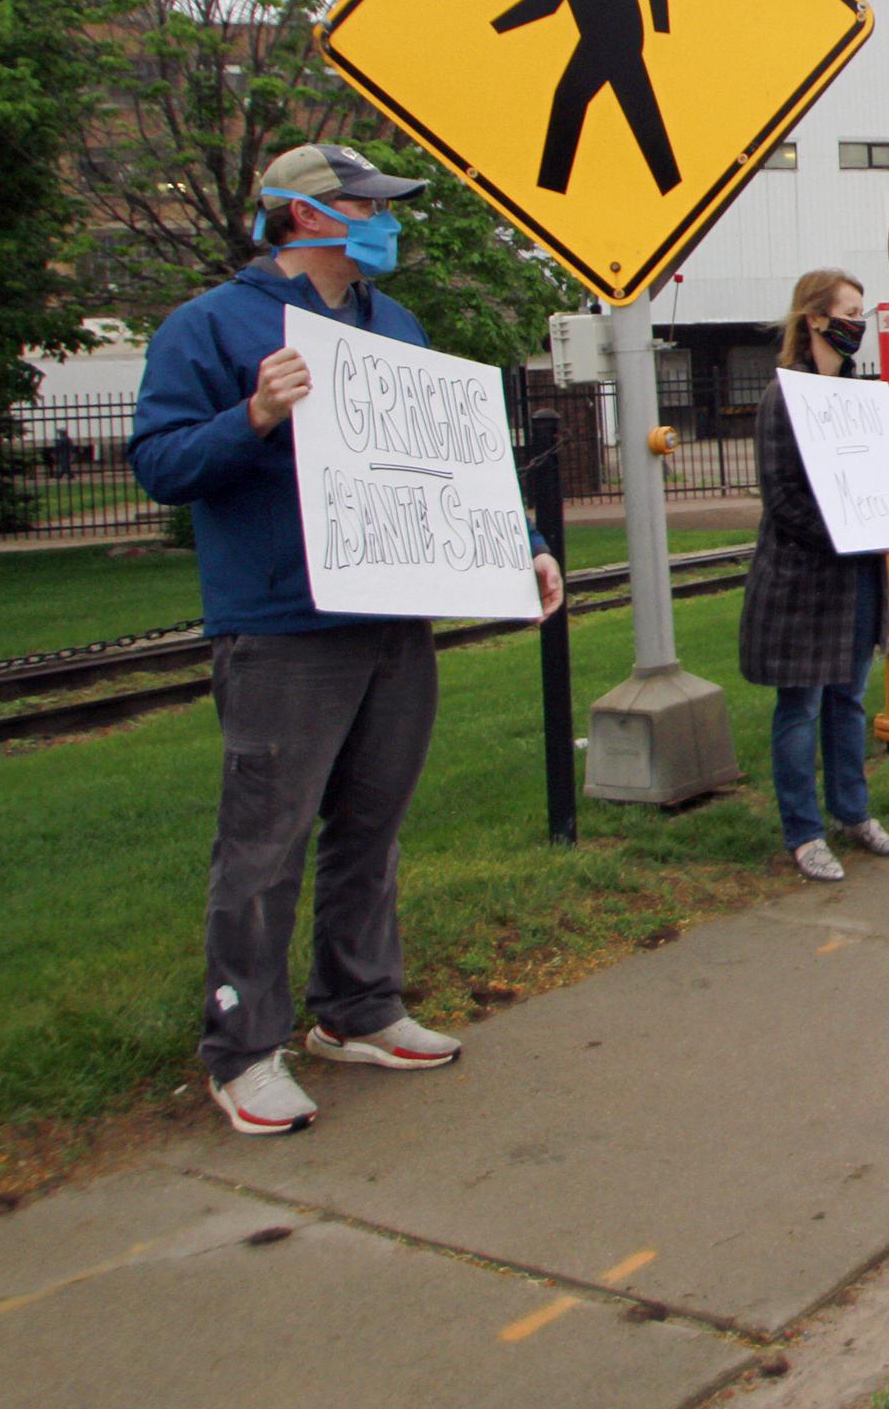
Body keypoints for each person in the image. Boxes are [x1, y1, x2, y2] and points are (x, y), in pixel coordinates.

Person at [131, 143, 565, 1137]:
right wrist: (255, 412)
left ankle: (359, 1004)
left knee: (373, 821)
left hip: (392, 614)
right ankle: (243, 1047)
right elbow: (159, 462)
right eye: (366, 204)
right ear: (301, 215)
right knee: (265, 840)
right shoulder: (211, 325)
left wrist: (525, 542)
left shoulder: (392, 321)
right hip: (282, 624)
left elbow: (451, 458)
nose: (386, 220)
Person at [741, 268, 889, 882]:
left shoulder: (860, 398)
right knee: (802, 709)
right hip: (805, 581)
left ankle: (853, 814)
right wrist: (850, 532)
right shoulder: (784, 398)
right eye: (848, 313)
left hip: (858, 578)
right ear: (814, 319)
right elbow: (784, 501)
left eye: (862, 314)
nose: (857, 326)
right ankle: (804, 834)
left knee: (848, 702)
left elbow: (879, 484)